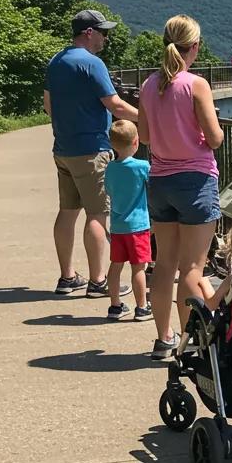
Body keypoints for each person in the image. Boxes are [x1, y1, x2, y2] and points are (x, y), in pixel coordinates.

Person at [138, 15, 224, 360]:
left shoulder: (148, 85)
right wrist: (202, 133)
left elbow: (143, 136)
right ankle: (193, 346)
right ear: (196, 47)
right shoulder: (196, 85)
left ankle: (164, 339)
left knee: (165, 265)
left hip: (159, 181)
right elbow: (215, 138)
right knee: (192, 268)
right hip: (196, 181)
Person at [44, 9, 138, 297]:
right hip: (92, 150)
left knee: (68, 211)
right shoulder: (92, 64)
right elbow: (116, 105)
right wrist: (148, 120)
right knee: (98, 214)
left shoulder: (56, 61)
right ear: (89, 32)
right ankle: (98, 281)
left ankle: (67, 277)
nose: (105, 38)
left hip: (63, 148)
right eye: (103, 32)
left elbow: (48, 105)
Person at [104, 119, 154, 322]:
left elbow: (108, 190)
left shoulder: (110, 168)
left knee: (115, 265)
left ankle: (115, 306)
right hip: (138, 226)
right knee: (138, 267)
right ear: (136, 142)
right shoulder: (142, 166)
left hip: (117, 226)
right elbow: (153, 185)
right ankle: (142, 307)